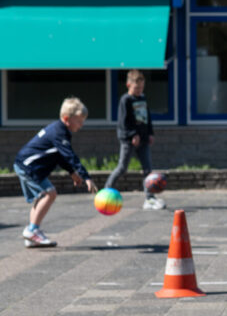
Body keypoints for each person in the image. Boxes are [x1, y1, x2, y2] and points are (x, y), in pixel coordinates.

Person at [13, 97, 99, 248]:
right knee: (50, 194)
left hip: (27, 165)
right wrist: (86, 177)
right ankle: (32, 230)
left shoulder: (60, 130)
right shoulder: (59, 132)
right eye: (79, 121)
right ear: (66, 119)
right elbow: (70, 156)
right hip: (28, 166)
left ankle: (32, 234)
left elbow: (60, 155)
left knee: (43, 196)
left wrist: (72, 172)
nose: (82, 125)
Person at [105, 70, 164, 210]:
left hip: (143, 139)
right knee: (122, 167)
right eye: (137, 88)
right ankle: (106, 191)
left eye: (142, 87)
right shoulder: (125, 100)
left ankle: (149, 198)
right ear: (128, 85)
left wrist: (150, 133)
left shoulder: (142, 98)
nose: (139, 90)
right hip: (128, 139)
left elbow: (147, 118)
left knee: (147, 169)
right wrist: (132, 135)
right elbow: (123, 122)